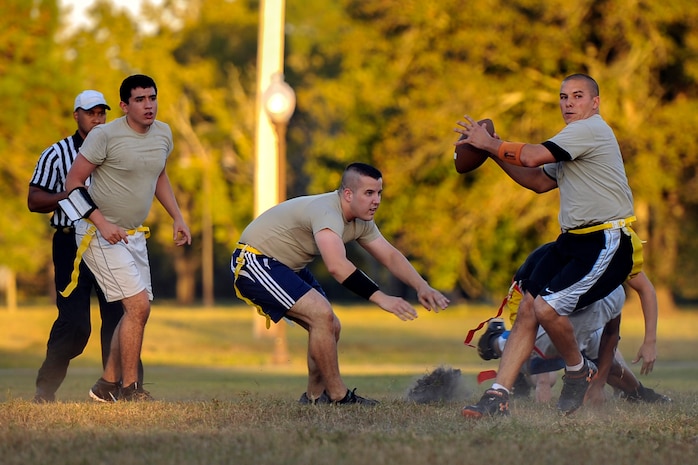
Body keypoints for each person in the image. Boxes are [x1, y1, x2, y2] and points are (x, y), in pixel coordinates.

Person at [456, 73, 638, 417]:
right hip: (574, 239)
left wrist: (492, 143)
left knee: (546, 309)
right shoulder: (573, 141)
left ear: (595, 103)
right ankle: (498, 396)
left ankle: (577, 370)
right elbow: (538, 180)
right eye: (563, 97)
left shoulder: (591, 130)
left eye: (577, 96)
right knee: (528, 306)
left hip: (606, 239)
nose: (568, 103)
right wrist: (492, 152)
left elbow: (531, 157)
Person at [231, 162, 450, 405]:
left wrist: (422, 286)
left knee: (330, 325)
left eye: (379, 193)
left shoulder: (362, 221)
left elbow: (389, 255)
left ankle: (314, 399)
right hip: (254, 262)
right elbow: (336, 266)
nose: (376, 200)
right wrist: (381, 298)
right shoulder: (327, 212)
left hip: (285, 267)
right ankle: (339, 396)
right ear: (348, 194)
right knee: (322, 315)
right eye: (369, 193)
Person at [64, 74, 191, 402]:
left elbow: (159, 173)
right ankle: (131, 389)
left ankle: (106, 384)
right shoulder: (105, 135)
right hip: (98, 233)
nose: (149, 105)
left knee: (140, 309)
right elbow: (72, 184)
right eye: (140, 99)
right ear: (124, 105)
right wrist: (101, 222)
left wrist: (177, 216)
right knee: (136, 307)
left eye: (152, 98)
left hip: (133, 235)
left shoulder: (163, 133)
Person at [28, 90, 139, 403]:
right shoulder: (57, 154)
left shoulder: (117, 151)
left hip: (109, 240)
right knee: (75, 324)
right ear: (76, 115)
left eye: (102, 112)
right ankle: (44, 388)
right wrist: (68, 195)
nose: (98, 118)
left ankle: (127, 389)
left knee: (120, 316)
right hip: (70, 243)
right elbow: (34, 200)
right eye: (91, 112)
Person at [476, 242, 669, 404]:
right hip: (536, 299)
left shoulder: (617, 255)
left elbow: (611, 332)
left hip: (576, 306)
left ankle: (639, 395)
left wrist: (599, 383)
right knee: (540, 363)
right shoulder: (567, 262)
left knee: (607, 364)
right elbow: (541, 311)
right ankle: (494, 340)